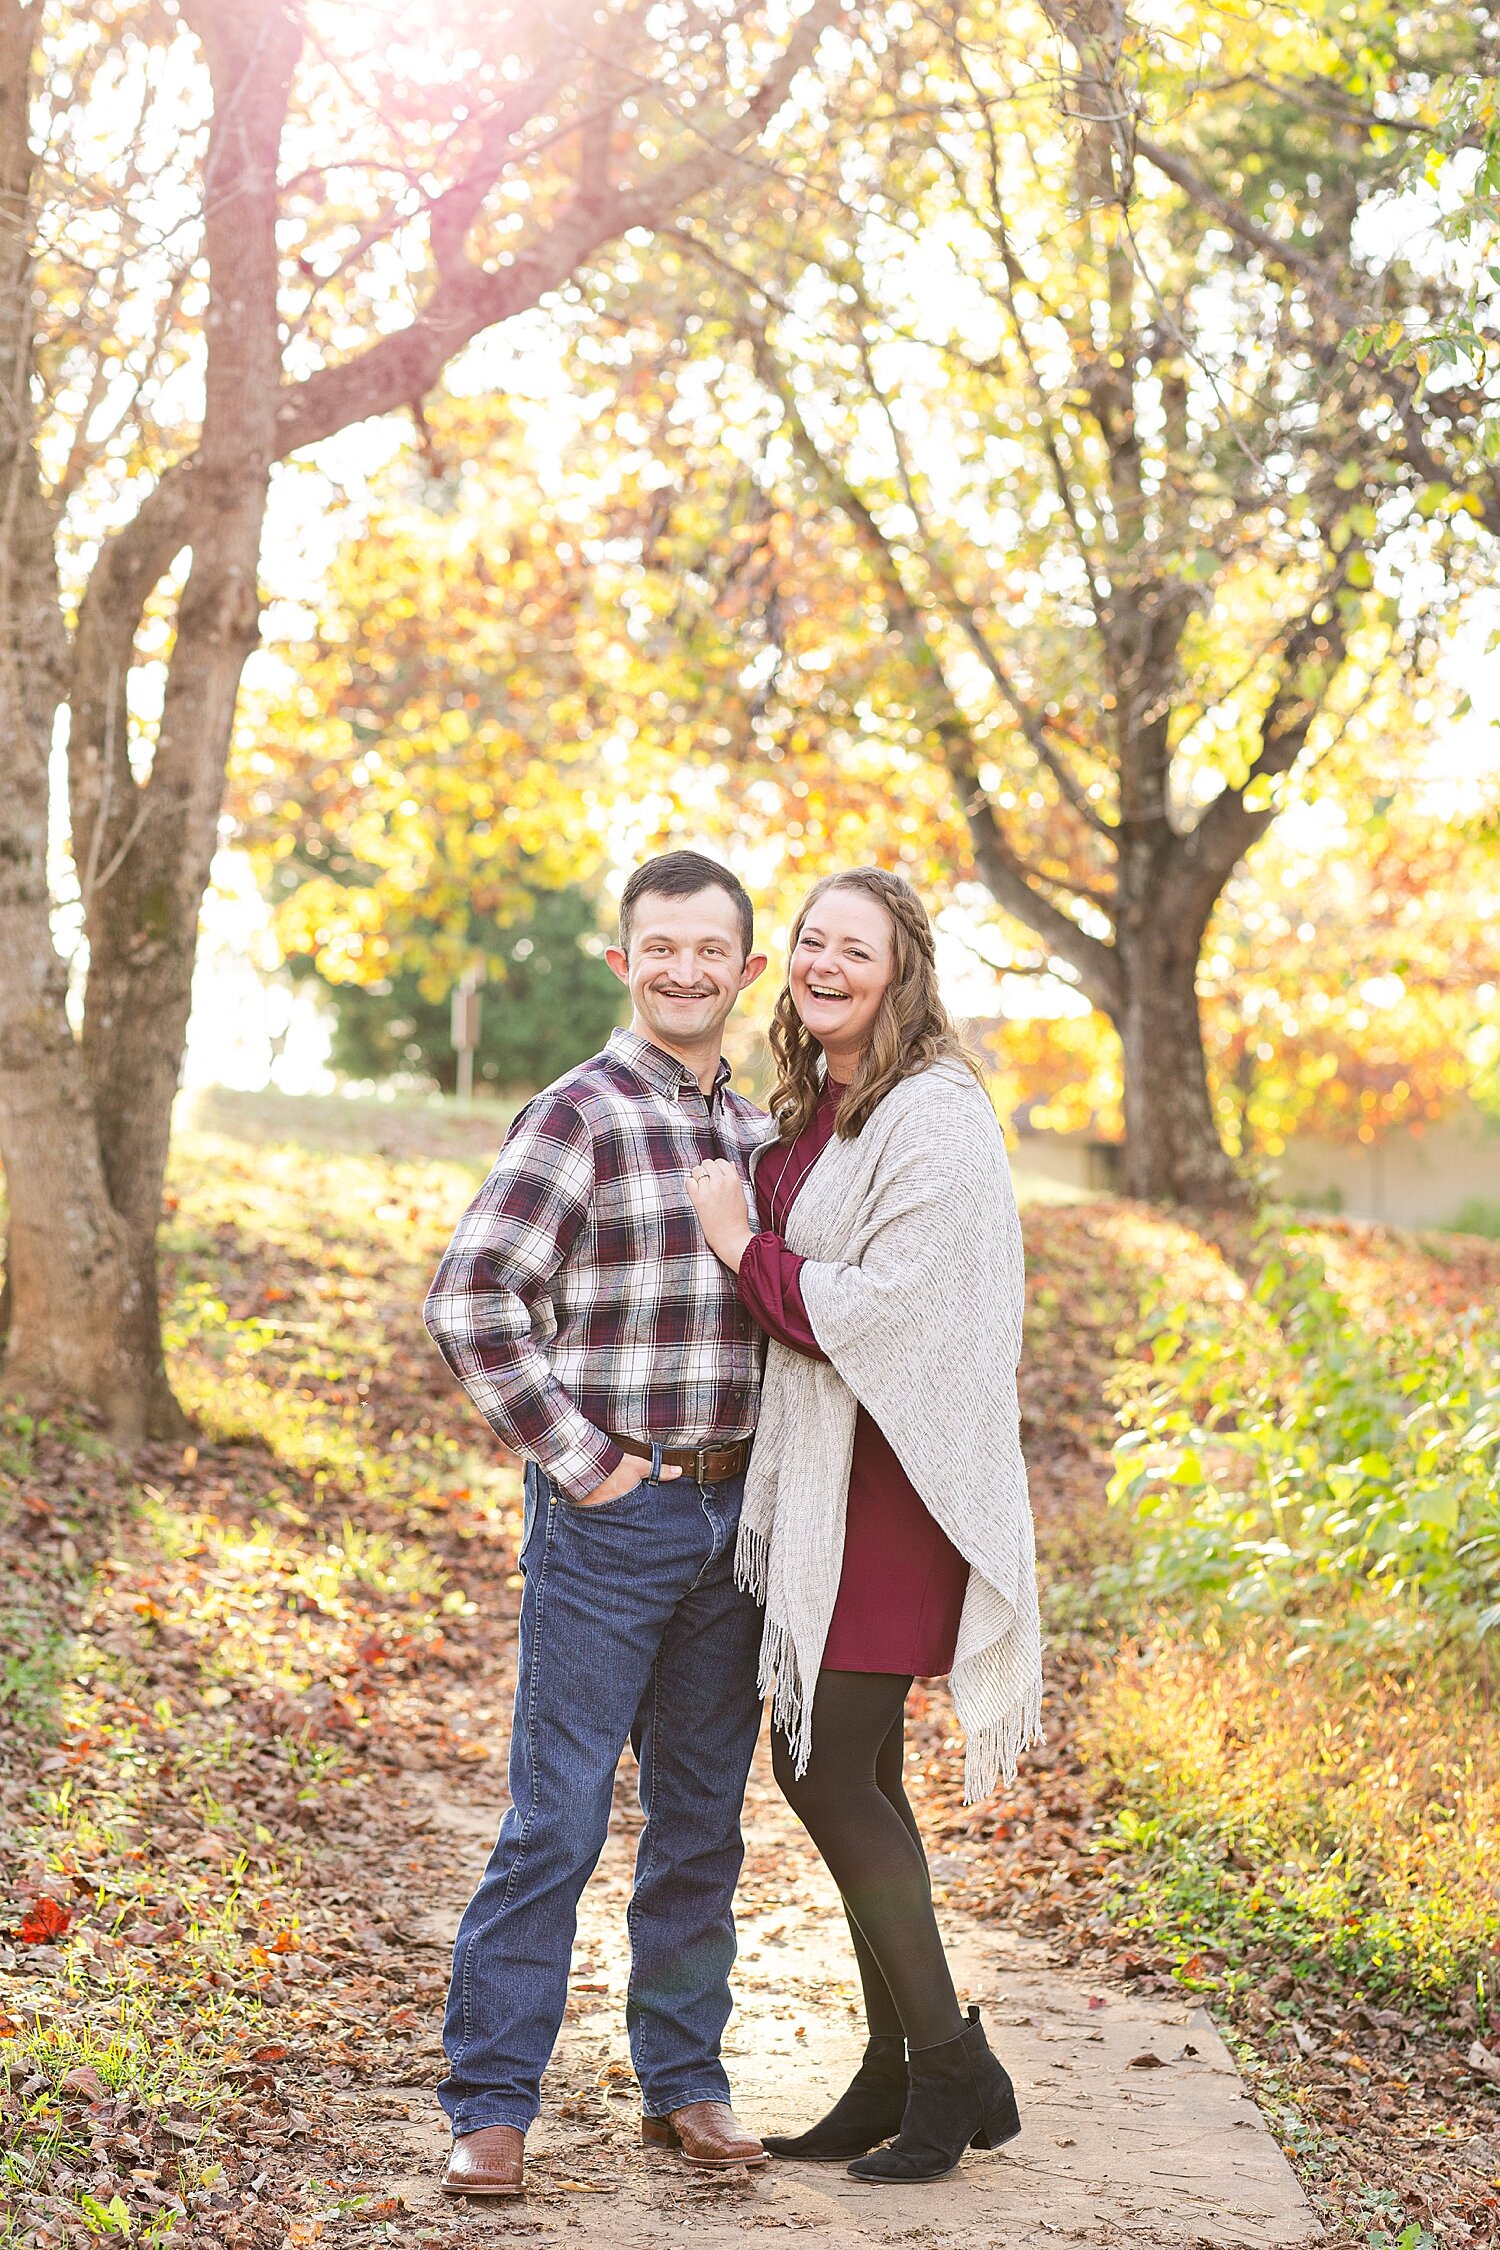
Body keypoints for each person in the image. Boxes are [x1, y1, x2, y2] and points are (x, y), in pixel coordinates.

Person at [422, 850, 775, 2199]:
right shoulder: (580, 1112)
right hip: (612, 1523)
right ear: (622, 961)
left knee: (700, 1822)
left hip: (733, 1521)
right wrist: (583, 1461)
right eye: (660, 946)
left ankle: (683, 2076)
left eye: (711, 950)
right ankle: (493, 2098)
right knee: (556, 1816)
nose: (686, 968)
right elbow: (472, 1299)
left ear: (746, 972)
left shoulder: (758, 1135)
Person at [685, 866, 1043, 2186]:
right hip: (832, 1478)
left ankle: (949, 2065)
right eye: (813, 942)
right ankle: (903, 2065)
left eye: (860, 948)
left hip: (897, 1484)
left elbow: (890, 1307)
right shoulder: (826, 1103)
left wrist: (741, 1246)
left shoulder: (935, 1111)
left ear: (902, 973)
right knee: (848, 1772)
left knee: (829, 1771)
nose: (828, 963)